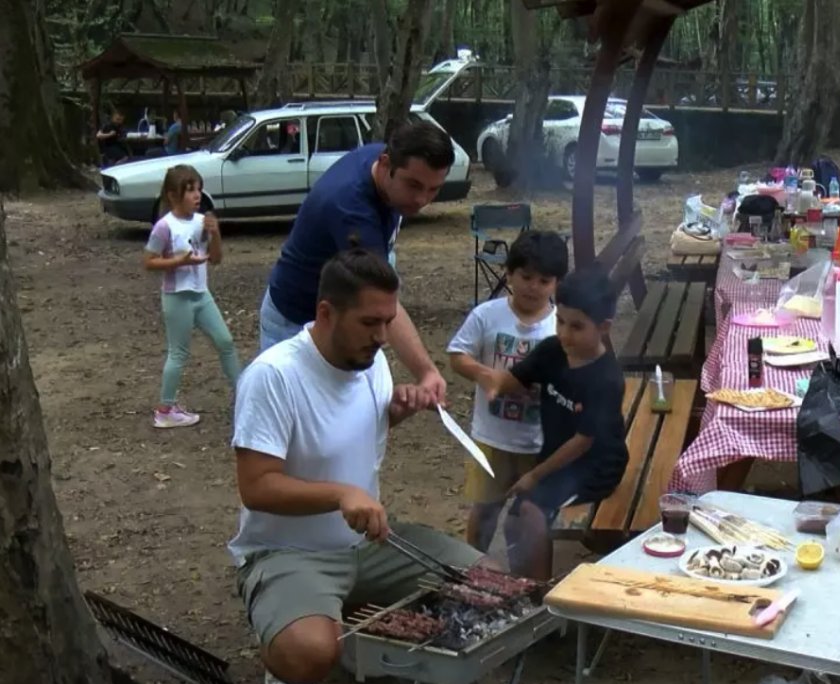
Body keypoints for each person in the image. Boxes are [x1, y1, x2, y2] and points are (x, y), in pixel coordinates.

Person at [230, 248, 482, 684]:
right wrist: (341, 494)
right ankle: (296, 626)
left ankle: (346, 621)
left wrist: (395, 412)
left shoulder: (369, 361)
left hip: (367, 545)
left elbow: (349, 435)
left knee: (488, 584)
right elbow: (256, 486)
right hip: (289, 552)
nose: (383, 336)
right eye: (370, 322)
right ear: (327, 313)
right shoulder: (273, 376)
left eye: (388, 321)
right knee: (307, 655)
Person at [258, 120, 457, 406]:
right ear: (385, 164)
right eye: (413, 185)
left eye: (433, 189)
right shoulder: (351, 210)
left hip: (343, 311)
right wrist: (426, 371)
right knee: (295, 415)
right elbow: (382, 302)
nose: (421, 199)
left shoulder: (386, 158)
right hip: (295, 317)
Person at [476, 268, 628, 580]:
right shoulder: (552, 351)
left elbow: (583, 442)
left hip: (595, 468)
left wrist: (534, 475)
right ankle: (525, 585)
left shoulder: (606, 379)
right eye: (560, 321)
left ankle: (539, 594)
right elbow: (513, 379)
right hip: (557, 461)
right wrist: (492, 384)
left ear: (604, 327)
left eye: (577, 326)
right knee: (515, 520)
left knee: (531, 513)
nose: (564, 334)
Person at [446, 231, 569, 553]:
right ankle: (473, 562)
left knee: (533, 513)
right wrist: (484, 375)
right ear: (509, 273)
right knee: (485, 508)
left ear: (557, 283)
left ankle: (528, 568)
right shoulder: (487, 315)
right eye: (526, 277)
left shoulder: (561, 326)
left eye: (544, 281)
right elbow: (457, 355)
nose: (533, 287)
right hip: (492, 437)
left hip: (538, 442)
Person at [142, 165, 241, 429]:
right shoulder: (164, 227)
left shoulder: (200, 222)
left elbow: (216, 259)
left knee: (225, 341)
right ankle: (165, 410)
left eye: (198, 189)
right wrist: (178, 261)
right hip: (178, 297)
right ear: (173, 195)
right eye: (190, 190)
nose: (197, 195)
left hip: (201, 294)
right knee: (179, 352)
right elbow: (149, 262)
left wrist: (215, 233)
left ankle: (245, 394)